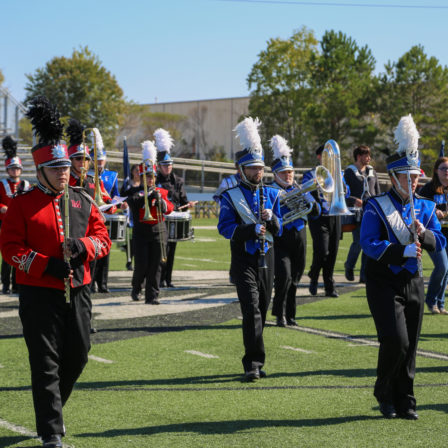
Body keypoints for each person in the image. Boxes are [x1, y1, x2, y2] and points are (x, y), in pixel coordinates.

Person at [0, 96, 111, 447]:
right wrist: (46, 264)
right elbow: (10, 248)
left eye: (67, 167)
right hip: (39, 293)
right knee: (45, 363)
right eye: (58, 168)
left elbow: (103, 237)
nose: (66, 172)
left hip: (79, 289)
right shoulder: (22, 204)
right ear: (41, 170)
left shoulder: (81, 199)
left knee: (78, 356)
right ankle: (51, 430)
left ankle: (52, 409)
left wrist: (83, 248)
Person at [360, 114, 445, 420]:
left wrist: (423, 234)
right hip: (383, 280)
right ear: (393, 177)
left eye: (416, 176)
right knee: (396, 340)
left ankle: (406, 400)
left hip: (414, 280)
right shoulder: (376, 205)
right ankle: (384, 393)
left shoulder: (425, 205)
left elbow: (440, 242)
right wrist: (401, 249)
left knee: (411, 347)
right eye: (407, 177)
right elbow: (368, 243)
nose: (414, 181)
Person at [218, 117, 282, 381]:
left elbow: (281, 230)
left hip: (268, 257)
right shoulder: (230, 196)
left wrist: (273, 219)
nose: (259, 172)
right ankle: (252, 363)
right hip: (243, 259)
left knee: (263, 308)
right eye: (253, 168)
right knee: (251, 309)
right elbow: (225, 228)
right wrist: (250, 229)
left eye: (260, 168)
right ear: (241, 170)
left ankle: (257, 359)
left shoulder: (273, 194)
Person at [269, 135, 319, 327]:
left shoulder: (300, 188)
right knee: (284, 277)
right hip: (280, 239)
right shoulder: (270, 191)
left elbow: (316, 210)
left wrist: (314, 207)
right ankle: (279, 314)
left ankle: (291, 315)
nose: (288, 175)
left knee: (296, 278)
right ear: (275, 174)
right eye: (283, 173)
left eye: (290, 172)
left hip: (300, 237)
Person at [126, 140, 174, 304]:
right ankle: (136, 287)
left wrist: (160, 201)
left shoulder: (161, 191)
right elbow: (133, 203)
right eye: (147, 176)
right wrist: (145, 196)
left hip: (159, 232)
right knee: (142, 265)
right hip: (141, 233)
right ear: (142, 177)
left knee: (156, 265)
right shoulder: (134, 192)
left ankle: (152, 296)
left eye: (152, 176)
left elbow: (169, 208)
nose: (150, 179)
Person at [303, 143, 348, 297]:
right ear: (318, 157)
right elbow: (305, 192)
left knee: (333, 252)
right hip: (319, 217)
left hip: (335, 215)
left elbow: (346, 193)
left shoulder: (338, 173)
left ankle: (329, 286)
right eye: (324, 156)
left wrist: (343, 186)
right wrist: (313, 201)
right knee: (322, 251)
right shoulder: (311, 174)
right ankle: (314, 276)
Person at [154, 128, 193, 288]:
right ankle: (158, 278)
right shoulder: (154, 180)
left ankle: (167, 279)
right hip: (160, 220)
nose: (168, 167)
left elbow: (183, 199)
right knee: (161, 251)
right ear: (159, 166)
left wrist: (187, 206)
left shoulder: (178, 181)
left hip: (173, 220)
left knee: (171, 251)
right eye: (164, 165)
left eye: (169, 164)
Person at [343, 145, 381, 283]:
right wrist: (354, 200)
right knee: (358, 242)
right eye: (366, 155)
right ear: (359, 156)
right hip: (356, 214)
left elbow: (377, 192)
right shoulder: (349, 172)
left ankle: (364, 274)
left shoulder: (372, 172)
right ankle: (349, 265)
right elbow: (342, 195)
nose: (369, 158)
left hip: (371, 213)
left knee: (369, 243)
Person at [0, 136, 30, 294]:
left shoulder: (26, 185)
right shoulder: (2, 184)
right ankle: (5, 284)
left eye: (17, 168)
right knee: (7, 255)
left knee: (21, 255)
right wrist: (1, 206)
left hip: (22, 224)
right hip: (5, 223)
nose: (15, 171)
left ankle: (17, 284)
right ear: (7, 170)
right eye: (12, 168)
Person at [418, 156, 448, 315]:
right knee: (442, 266)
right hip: (434, 233)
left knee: (447, 269)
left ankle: (440, 303)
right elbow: (419, 208)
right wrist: (433, 211)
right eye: (444, 168)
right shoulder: (429, 188)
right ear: (436, 170)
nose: (447, 172)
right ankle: (431, 300)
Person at [120, 164, 141, 271]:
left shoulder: (143, 184)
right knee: (131, 239)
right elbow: (122, 196)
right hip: (130, 214)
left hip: (140, 214)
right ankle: (129, 261)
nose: (138, 172)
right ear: (132, 172)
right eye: (136, 170)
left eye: (139, 170)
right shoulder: (128, 184)